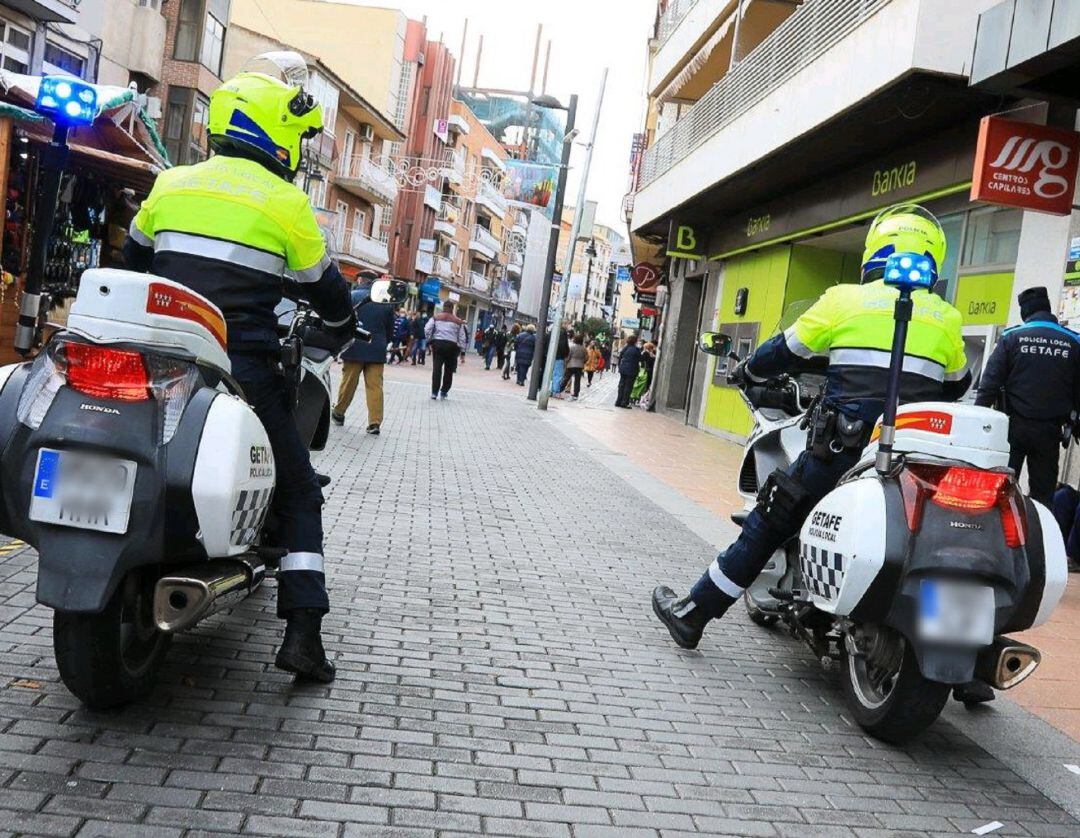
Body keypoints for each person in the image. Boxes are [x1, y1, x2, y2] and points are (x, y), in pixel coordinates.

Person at [651, 204, 970, 663]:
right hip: (914, 459)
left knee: (769, 521)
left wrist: (750, 369)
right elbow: (958, 382)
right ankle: (964, 661)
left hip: (841, 452)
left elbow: (783, 351)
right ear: (933, 256)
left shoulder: (843, 300)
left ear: (875, 250)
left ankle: (692, 612)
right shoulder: (945, 316)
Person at [123, 55, 355, 682]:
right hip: (238, 370)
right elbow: (329, 295)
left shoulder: (171, 184)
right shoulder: (286, 205)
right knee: (301, 489)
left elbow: (131, 261)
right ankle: (303, 634)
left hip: (150, 361)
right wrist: (340, 329)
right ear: (274, 132)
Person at [976, 286, 1080, 507]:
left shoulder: (1012, 337)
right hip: (1049, 432)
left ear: (1026, 311)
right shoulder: (1073, 341)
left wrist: (979, 421)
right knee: (1043, 497)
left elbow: (989, 384)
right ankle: (1036, 537)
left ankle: (1002, 537)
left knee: (1000, 489)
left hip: (1012, 428)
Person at [333, 271, 394, 435]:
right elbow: (390, 329)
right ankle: (374, 423)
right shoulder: (385, 300)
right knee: (375, 386)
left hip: (354, 346)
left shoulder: (351, 296)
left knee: (348, 383)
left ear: (360, 280)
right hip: (376, 349)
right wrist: (383, 343)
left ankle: (339, 413)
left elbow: (342, 319)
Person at [426, 300, 469, 399]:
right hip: (452, 346)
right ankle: (444, 391)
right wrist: (462, 351)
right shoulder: (458, 321)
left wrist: (429, 340)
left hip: (438, 344)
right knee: (449, 370)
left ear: (443, 307)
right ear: (452, 308)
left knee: (437, 369)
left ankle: (434, 392)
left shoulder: (436, 318)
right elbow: (462, 337)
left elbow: (427, 329)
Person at [615, 334, 642, 408]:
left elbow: (620, 358)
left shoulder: (625, 348)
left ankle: (618, 401)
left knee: (621, 385)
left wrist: (620, 366)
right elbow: (640, 359)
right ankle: (624, 402)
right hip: (631, 370)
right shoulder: (636, 350)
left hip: (623, 369)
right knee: (628, 386)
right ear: (635, 341)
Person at [563, 333, 587, 400]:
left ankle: (560, 389)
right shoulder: (584, 349)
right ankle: (576, 394)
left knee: (566, 378)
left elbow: (568, 356)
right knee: (577, 380)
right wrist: (583, 362)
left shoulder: (572, 347)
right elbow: (586, 357)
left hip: (571, 365)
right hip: (579, 366)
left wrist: (566, 362)